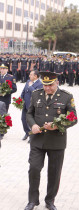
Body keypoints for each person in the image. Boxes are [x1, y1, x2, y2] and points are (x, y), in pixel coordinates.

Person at [24, 72, 77, 210]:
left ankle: (50, 200)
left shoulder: (66, 96)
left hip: (56, 142)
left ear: (57, 82)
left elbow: (73, 118)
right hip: (37, 141)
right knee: (34, 169)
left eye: (50, 85)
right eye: (45, 85)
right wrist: (33, 125)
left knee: (54, 173)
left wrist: (57, 125)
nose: (47, 88)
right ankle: (32, 200)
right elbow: (29, 113)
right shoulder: (36, 94)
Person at [20, 70, 43, 141]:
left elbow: (36, 94)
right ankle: (27, 133)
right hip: (25, 104)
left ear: (35, 76)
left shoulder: (40, 84)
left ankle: (32, 135)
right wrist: (21, 98)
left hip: (32, 106)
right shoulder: (28, 81)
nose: (29, 76)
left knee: (31, 121)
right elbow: (24, 91)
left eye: (31, 75)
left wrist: (30, 87)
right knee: (23, 120)